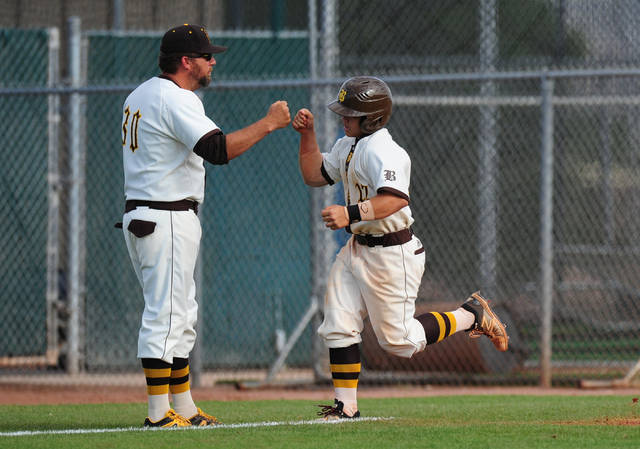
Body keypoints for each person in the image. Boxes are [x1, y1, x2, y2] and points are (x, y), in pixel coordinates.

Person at [292, 76, 509, 419]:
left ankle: (471, 314)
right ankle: (345, 407)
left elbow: (394, 200)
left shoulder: (384, 150)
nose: (343, 118)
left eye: (351, 113)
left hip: (392, 253)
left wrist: (348, 213)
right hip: (357, 249)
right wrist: (307, 136)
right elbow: (314, 174)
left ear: (373, 117)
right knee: (338, 322)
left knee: (401, 341)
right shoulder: (348, 145)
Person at [120, 24, 291, 428]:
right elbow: (217, 150)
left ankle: (185, 407)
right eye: (206, 56)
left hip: (150, 214)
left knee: (180, 314)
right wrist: (268, 123)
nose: (212, 62)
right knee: (165, 315)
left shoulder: (140, 94)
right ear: (186, 61)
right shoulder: (175, 97)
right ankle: (159, 415)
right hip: (166, 215)